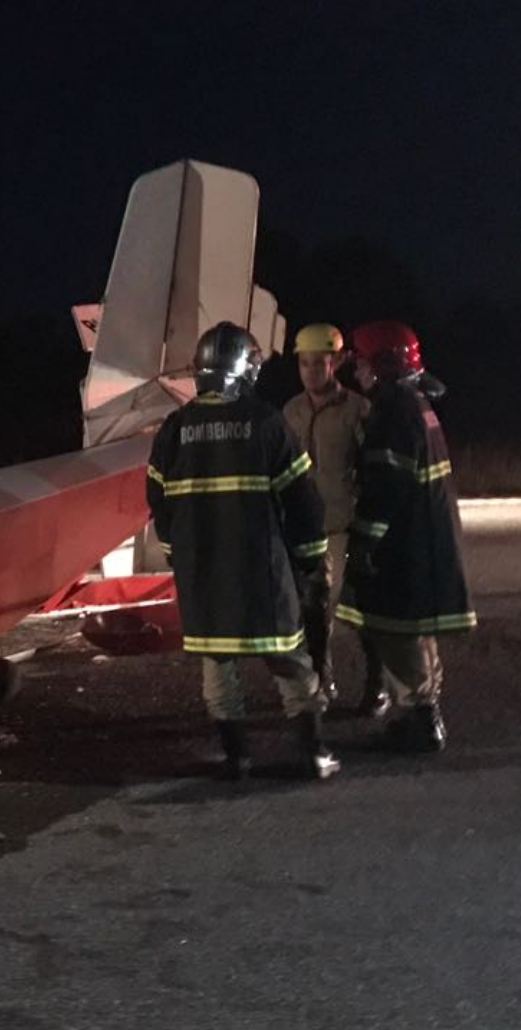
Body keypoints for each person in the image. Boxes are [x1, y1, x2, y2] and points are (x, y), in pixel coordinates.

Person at [148, 323, 339, 780]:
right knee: (290, 661)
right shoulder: (266, 422)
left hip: (204, 575)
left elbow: (159, 503)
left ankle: (237, 758)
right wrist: (311, 557)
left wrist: (180, 556)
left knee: (218, 666)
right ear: (246, 368)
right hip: (263, 571)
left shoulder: (175, 429)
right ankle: (313, 754)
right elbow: (302, 498)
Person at [335, 321, 475, 752]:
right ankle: (423, 709)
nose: (355, 369)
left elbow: (384, 488)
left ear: (383, 365)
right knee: (415, 632)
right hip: (423, 538)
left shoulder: (393, 410)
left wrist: (364, 543)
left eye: (360, 361)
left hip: (404, 545)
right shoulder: (417, 402)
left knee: (398, 632)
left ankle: (421, 721)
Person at [281, 323, 387, 715]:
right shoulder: (290, 411)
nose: (310, 371)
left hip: (346, 525)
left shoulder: (358, 410)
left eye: (318, 363)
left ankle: (377, 684)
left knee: (356, 612)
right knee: (312, 611)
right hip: (306, 530)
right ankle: (321, 683)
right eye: (304, 363)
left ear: (337, 362)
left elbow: (375, 469)